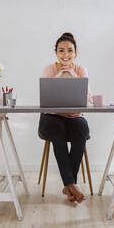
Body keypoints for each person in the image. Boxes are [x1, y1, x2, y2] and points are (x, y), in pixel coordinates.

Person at [39, 32, 90, 203]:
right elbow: (45, 97)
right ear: (56, 53)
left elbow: (87, 98)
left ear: (75, 53)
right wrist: (60, 74)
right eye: (61, 51)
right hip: (51, 118)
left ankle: (68, 186)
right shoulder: (49, 69)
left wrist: (73, 75)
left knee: (82, 128)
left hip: (74, 117)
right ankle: (71, 185)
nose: (65, 55)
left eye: (69, 51)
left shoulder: (81, 69)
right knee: (57, 129)